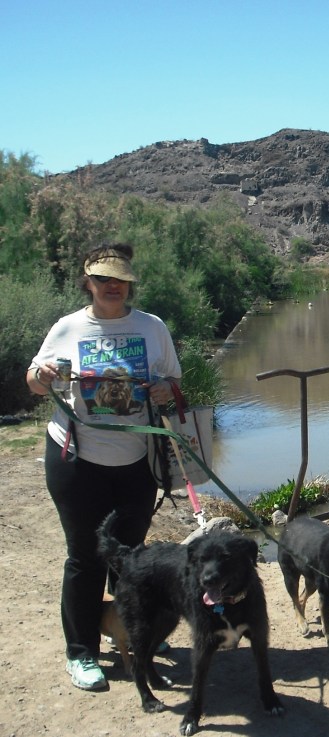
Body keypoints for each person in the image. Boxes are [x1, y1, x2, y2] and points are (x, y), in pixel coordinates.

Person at [26, 243, 182, 691]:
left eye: (120, 280)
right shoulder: (68, 327)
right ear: (88, 282)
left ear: (129, 283)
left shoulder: (152, 327)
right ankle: (81, 653)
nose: (113, 286)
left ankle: (131, 629)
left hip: (136, 461)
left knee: (130, 557)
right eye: (103, 279)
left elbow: (174, 381)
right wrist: (43, 376)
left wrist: (165, 391)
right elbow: (33, 381)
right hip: (77, 461)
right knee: (85, 557)